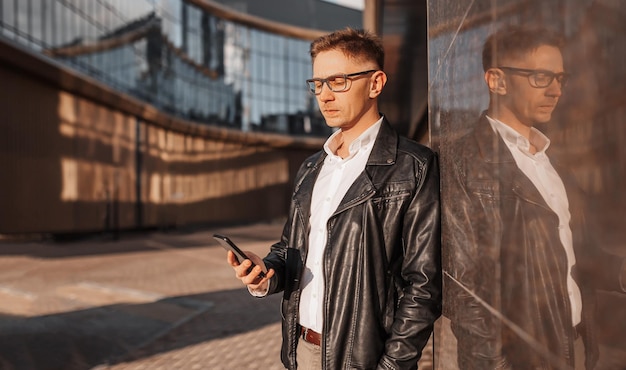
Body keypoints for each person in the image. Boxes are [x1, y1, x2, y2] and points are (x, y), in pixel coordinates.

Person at [227, 28, 442, 370]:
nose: (324, 95)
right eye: (318, 84)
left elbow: (424, 285)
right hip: (302, 350)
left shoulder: (412, 166)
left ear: (375, 83)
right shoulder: (313, 167)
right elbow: (291, 248)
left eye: (338, 81)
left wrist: (391, 365)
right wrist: (267, 271)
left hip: (367, 360)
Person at [442, 25, 626, 370]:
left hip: (575, 346)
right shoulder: (463, 162)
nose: (556, 90)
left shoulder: (549, 161)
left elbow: (571, 255)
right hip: (521, 359)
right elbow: (465, 294)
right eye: (542, 77)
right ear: (497, 81)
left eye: (560, 78)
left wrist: (618, 271)